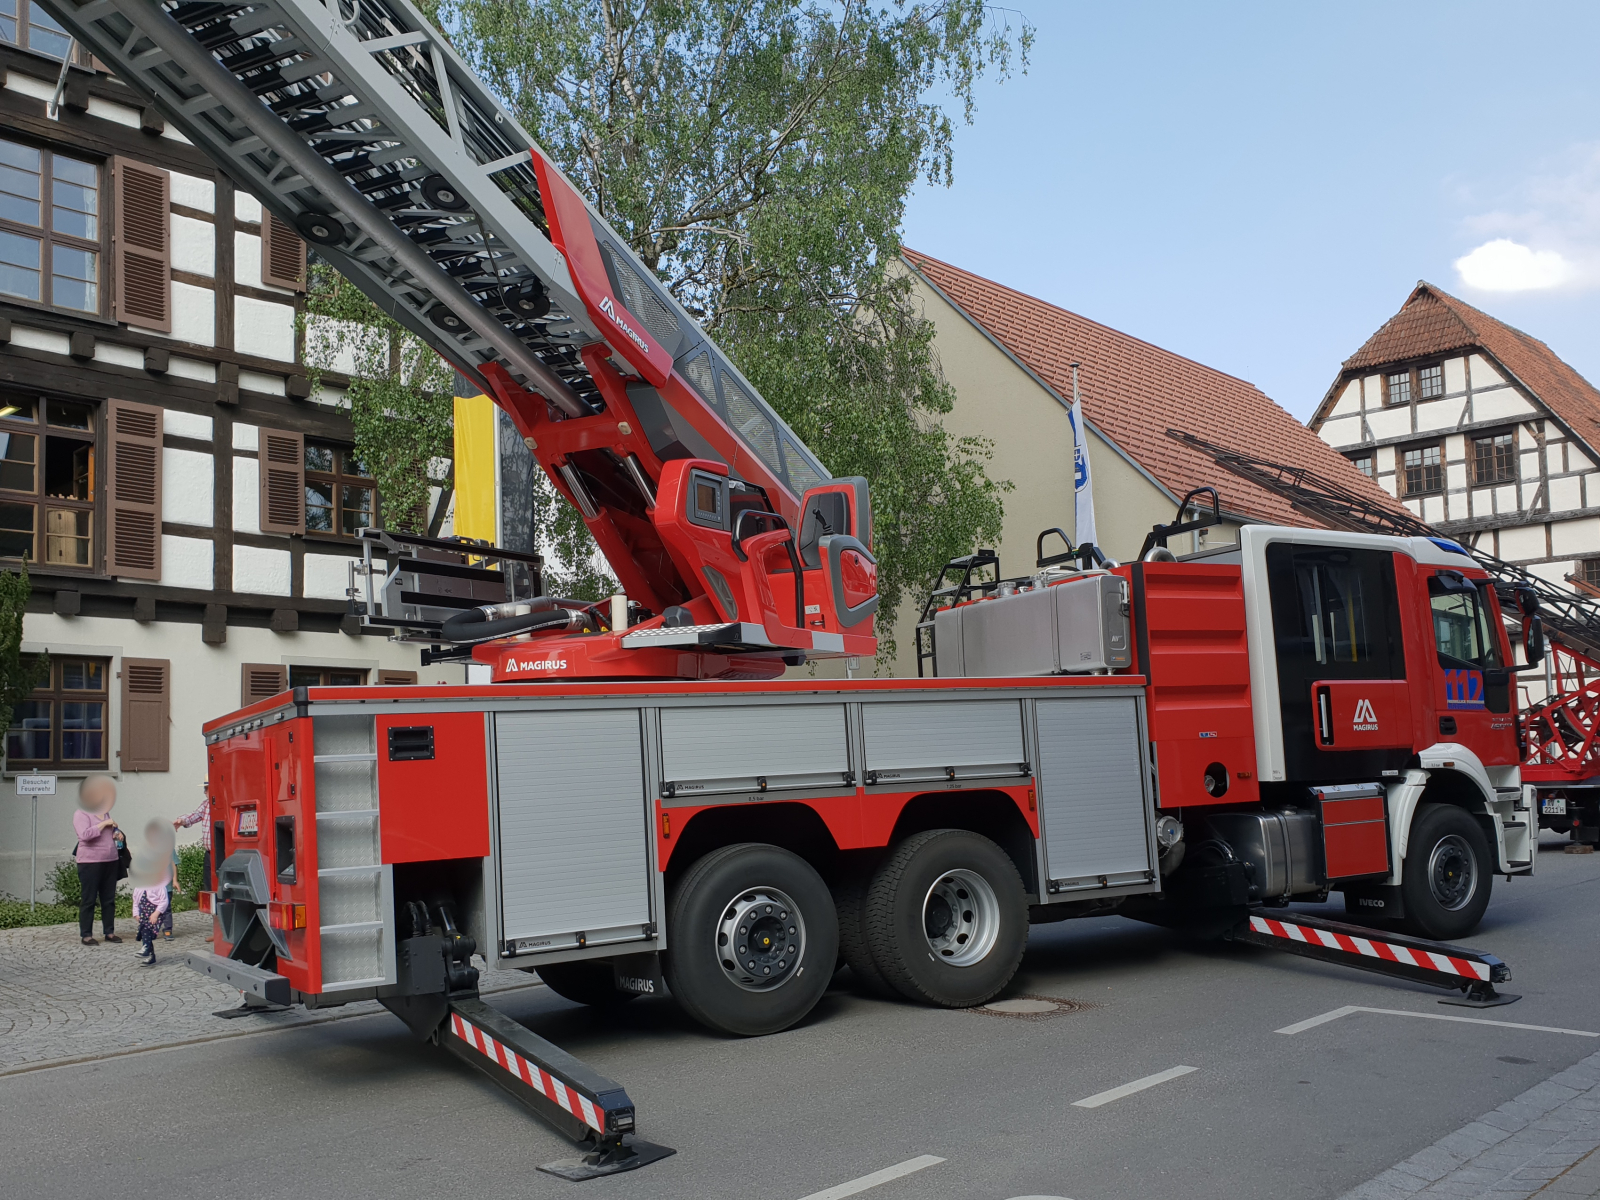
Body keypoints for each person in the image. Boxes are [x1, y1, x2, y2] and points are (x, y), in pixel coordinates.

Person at [73, 775, 124, 946]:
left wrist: (117, 834)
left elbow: (107, 835)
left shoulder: (105, 813)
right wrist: (103, 824)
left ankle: (109, 932)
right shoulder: (81, 813)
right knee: (89, 899)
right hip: (89, 863)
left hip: (110, 860)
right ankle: (86, 934)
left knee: (109, 899)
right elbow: (84, 836)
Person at [129, 820, 174, 967]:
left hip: (155, 911)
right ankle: (150, 954)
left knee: (148, 929)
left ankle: (147, 948)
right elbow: (135, 901)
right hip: (144, 912)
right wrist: (136, 913)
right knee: (144, 930)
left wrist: (156, 913)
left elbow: (164, 901)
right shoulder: (139, 888)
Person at [173, 782, 212, 944]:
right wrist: (180, 821)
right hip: (210, 854)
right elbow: (194, 815)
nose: (204, 792)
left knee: (224, 893)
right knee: (211, 893)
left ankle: (227, 932)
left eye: (206, 788)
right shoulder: (206, 805)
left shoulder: (222, 802)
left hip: (224, 854)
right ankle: (217, 930)